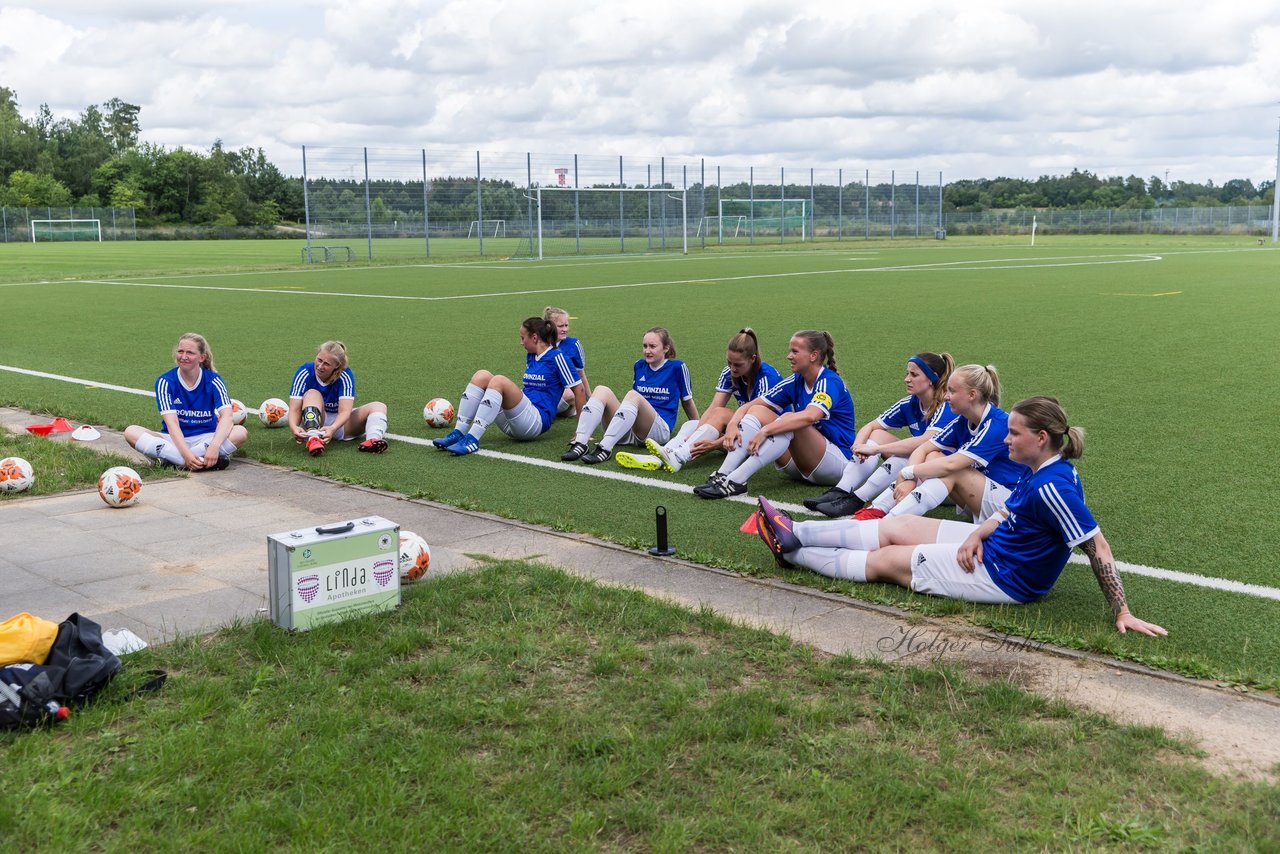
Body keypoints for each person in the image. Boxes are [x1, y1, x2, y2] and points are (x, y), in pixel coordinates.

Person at [755, 396, 1168, 636]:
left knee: (888, 561)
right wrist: (977, 534)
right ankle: (797, 529)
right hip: (991, 547)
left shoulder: (1053, 485)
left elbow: (1097, 547)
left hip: (1005, 576)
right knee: (897, 526)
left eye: (1014, 433)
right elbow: (1009, 510)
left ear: (1040, 439)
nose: (1005, 438)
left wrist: (1122, 611)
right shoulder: (1041, 469)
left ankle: (791, 552)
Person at [692, 330, 856, 499]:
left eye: (795, 351)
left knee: (787, 419)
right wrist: (733, 424)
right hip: (800, 464)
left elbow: (810, 417)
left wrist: (766, 430)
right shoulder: (795, 380)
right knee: (757, 411)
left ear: (813, 355)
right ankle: (723, 474)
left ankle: (736, 481)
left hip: (835, 465)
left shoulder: (829, 382)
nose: (789, 356)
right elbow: (749, 406)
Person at [803, 352, 957, 517]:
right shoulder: (910, 403)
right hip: (923, 471)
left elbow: (926, 441)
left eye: (914, 374)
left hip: (948, 484)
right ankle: (841, 490)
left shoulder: (947, 406)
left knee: (908, 456)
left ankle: (862, 501)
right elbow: (871, 426)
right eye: (907, 373)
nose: (907, 379)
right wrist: (859, 446)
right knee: (877, 434)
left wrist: (876, 450)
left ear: (931, 378)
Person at [876, 363, 1026, 524]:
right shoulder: (963, 420)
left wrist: (906, 473)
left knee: (952, 469)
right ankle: (879, 513)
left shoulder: (997, 424)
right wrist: (910, 479)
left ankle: (886, 523)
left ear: (972, 395)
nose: (946, 396)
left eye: (952, 391)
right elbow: (924, 448)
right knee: (933, 456)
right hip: (981, 499)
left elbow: (951, 464)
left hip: (1012, 507)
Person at [617, 328, 782, 473]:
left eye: (737, 364)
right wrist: (694, 435)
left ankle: (678, 456)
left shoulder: (767, 378)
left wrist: (716, 444)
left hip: (765, 437)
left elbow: (760, 425)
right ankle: (664, 456)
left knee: (723, 415)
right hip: (741, 431)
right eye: (729, 362)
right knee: (693, 423)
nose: (732, 368)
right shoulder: (729, 373)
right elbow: (713, 409)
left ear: (752, 359)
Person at [432, 316, 586, 455]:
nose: (521, 343)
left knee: (499, 380)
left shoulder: (558, 357)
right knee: (482, 375)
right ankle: (459, 432)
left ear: (534, 337)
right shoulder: (532, 355)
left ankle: (472, 439)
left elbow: (579, 390)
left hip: (535, 422)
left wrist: (580, 432)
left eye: (522, 338)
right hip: (516, 419)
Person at [561, 326, 698, 465]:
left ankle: (605, 448)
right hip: (632, 430)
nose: (647, 351)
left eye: (652, 346)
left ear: (666, 348)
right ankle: (580, 442)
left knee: (634, 395)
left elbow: (687, 402)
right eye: (645, 346)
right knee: (601, 390)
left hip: (658, 431)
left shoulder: (677, 367)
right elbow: (631, 407)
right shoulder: (639, 365)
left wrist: (698, 430)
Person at [125, 332, 247, 470]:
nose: (183, 357)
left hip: (206, 438)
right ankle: (196, 461)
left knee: (240, 432)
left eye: (190, 353)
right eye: (180, 351)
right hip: (173, 439)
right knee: (131, 431)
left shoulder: (214, 380)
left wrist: (214, 446)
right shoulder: (165, 381)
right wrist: (186, 454)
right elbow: (172, 424)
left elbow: (227, 417)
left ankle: (173, 460)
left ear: (202, 357)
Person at [287, 340, 389, 455]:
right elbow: (295, 409)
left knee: (379, 406)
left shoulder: (345, 375)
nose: (320, 366)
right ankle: (314, 439)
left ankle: (373, 440)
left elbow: (345, 411)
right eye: (319, 360)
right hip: (312, 424)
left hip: (340, 424)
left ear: (337, 366)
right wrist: (294, 427)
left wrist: (333, 428)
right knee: (312, 393)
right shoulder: (305, 371)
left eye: (326, 364)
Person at [544, 306, 589, 417]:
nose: (565, 329)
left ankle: (562, 410)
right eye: (560, 326)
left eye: (566, 325)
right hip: (543, 392)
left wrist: (591, 401)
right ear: (549, 327)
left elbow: (581, 375)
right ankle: (566, 411)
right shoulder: (539, 344)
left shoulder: (573, 344)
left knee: (570, 394)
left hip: (564, 393)